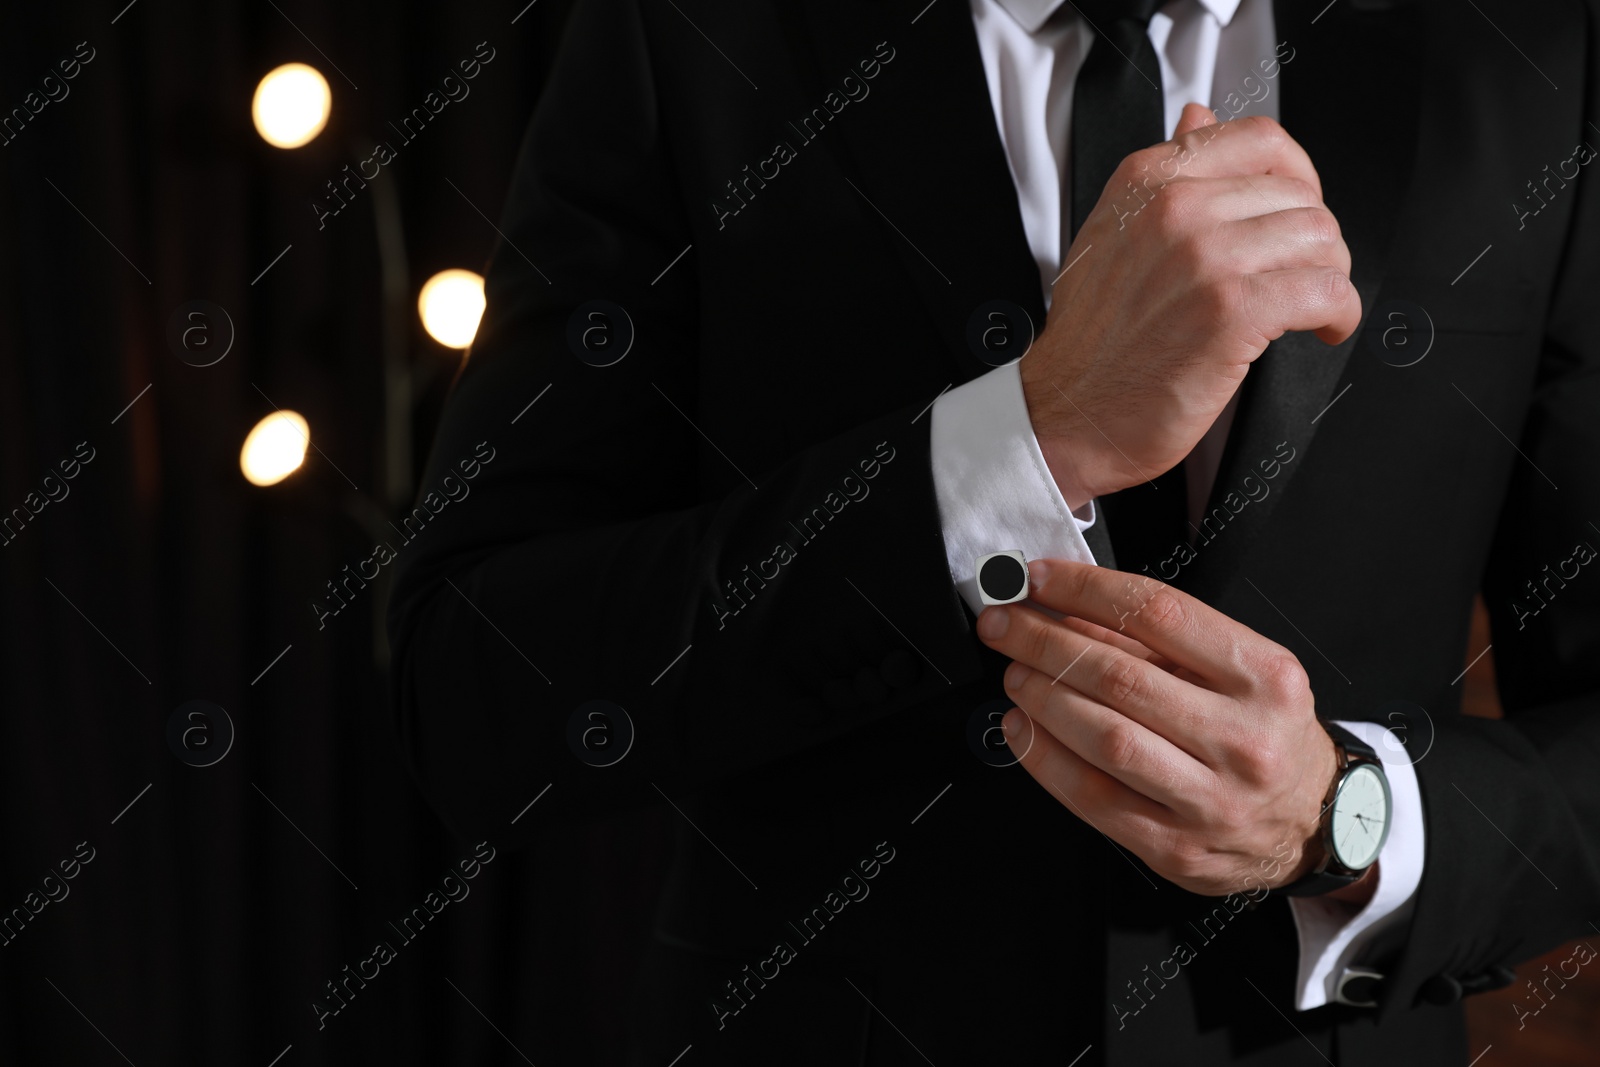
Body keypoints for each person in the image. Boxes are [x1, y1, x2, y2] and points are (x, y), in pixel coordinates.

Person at [387, 0, 1600, 1061]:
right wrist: (1028, 434)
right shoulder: (689, 28)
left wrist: (1344, 813)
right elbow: (472, 680)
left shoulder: (1533, 38)